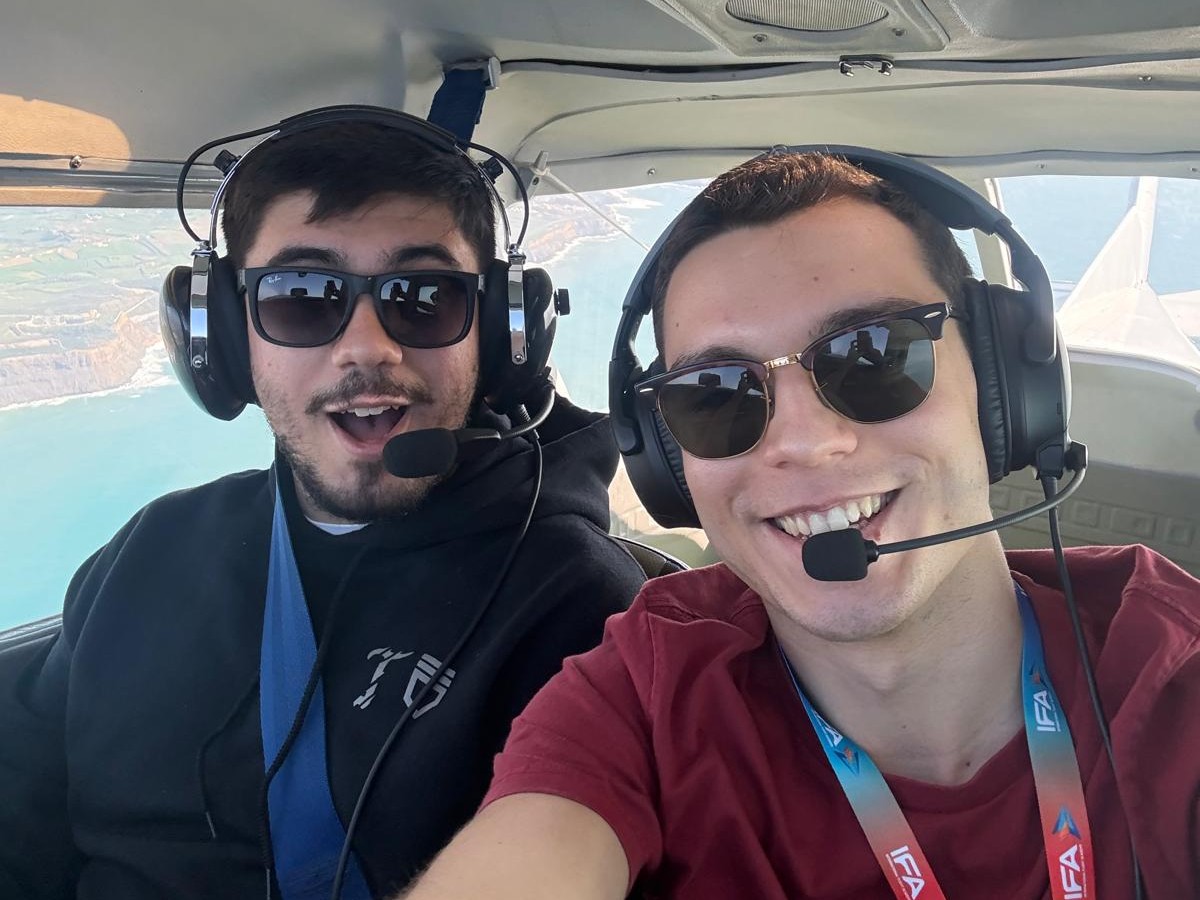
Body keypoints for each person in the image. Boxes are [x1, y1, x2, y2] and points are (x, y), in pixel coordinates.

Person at [397, 150, 1200, 899]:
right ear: (665, 461)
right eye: (715, 392)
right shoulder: (646, 698)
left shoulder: (1170, 670)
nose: (804, 441)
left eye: (874, 353)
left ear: (1003, 386)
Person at [0, 110, 647, 898]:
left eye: (424, 296)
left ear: (503, 337)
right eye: (303, 296)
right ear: (227, 337)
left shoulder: (579, 606)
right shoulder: (150, 551)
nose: (367, 346)